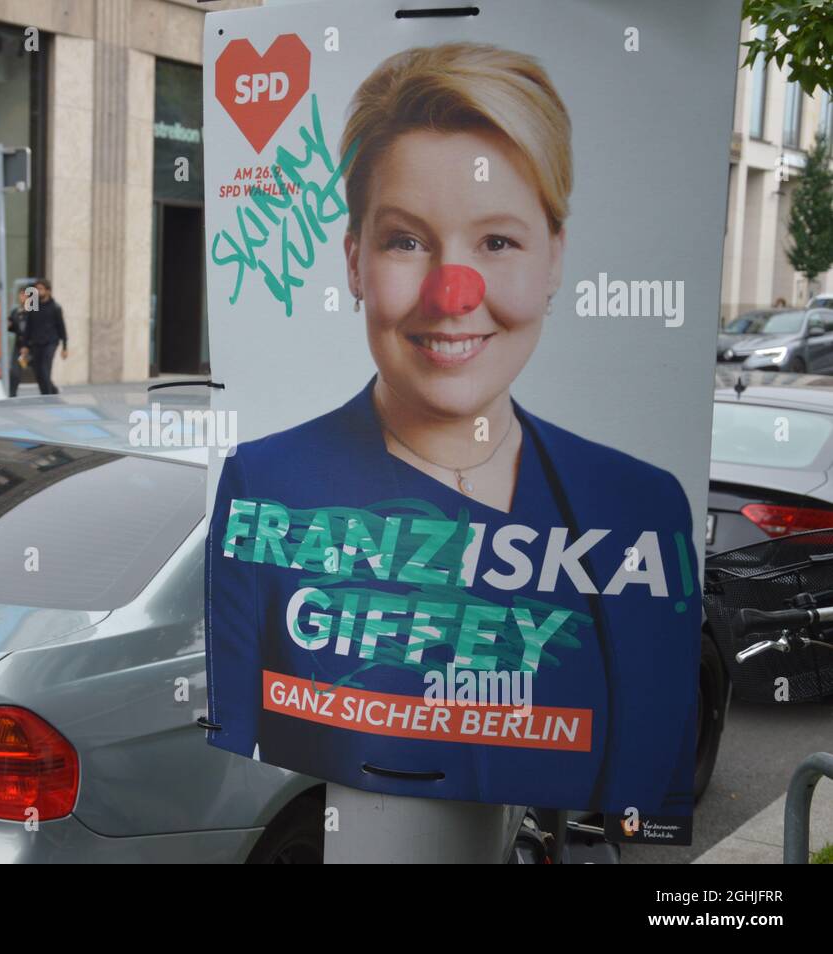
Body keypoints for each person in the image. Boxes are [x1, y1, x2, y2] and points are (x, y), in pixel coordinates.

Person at [205, 44, 699, 818]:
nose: (451, 293)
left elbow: (653, 793)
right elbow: (246, 765)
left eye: (497, 242)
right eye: (406, 240)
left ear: (554, 258)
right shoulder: (266, 488)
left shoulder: (641, 506)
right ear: (354, 262)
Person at [21, 278, 67, 395]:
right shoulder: (33, 306)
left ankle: (47, 396)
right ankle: (52, 391)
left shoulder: (55, 307)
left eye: (41, 289)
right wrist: (25, 345)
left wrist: (65, 347)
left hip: (50, 343)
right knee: (37, 372)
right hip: (36, 343)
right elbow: (28, 327)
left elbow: (61, 327)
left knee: (45, 370)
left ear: (48, 291)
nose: (38, 291)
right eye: (36, 289)